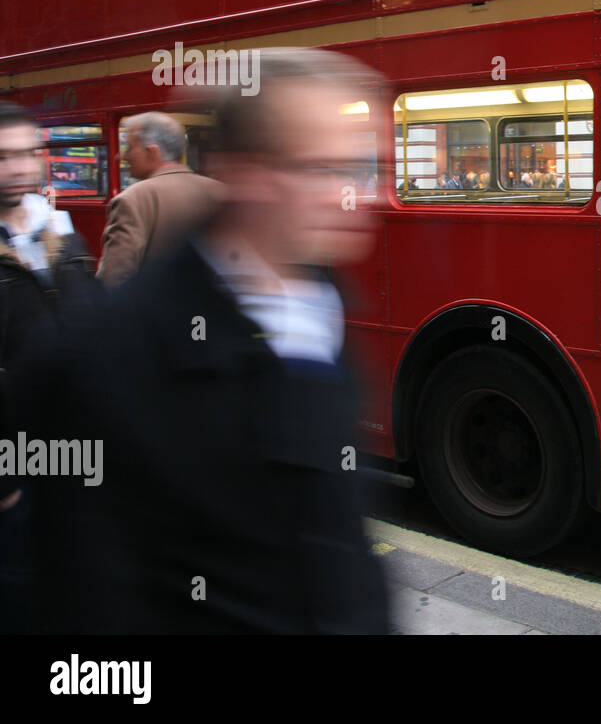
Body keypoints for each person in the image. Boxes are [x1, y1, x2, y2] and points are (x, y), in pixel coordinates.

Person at [30, 48, 389, 633]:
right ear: (244, 172)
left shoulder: (330, 302)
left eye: (366, 168)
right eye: (324, 170)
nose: (359, 196)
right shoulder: (103, 360)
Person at [0, 100, 101, 633]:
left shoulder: (64, 237)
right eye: (2, 156)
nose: (18, 167)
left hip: (78, 461)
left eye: (27, 153)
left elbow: (94, 331)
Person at [97, 111, 222, 288]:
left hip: (153, 314)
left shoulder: (131, 200)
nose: (122, 156)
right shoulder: (219, 192)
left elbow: (113, 276)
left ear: (152, 152)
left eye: (129, 147)